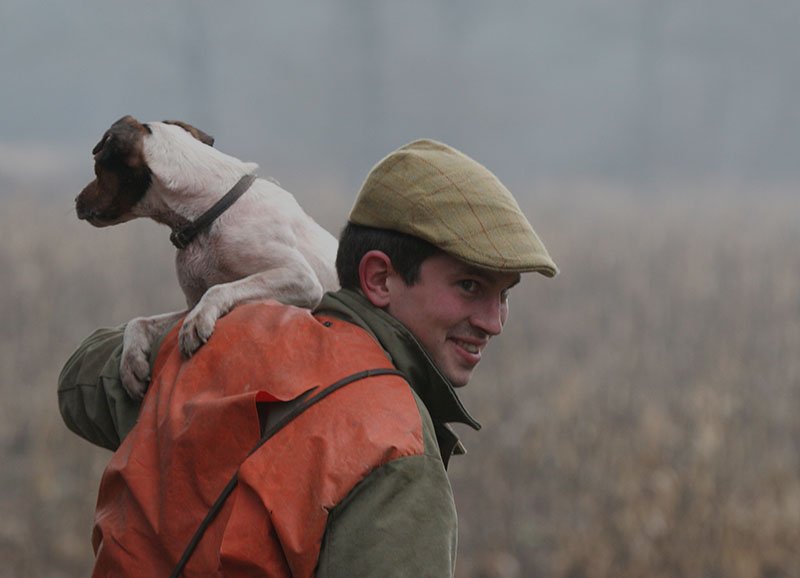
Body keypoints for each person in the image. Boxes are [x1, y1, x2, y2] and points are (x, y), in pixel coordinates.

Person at [58, 139, 558, 577]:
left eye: (504, 294)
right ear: (380, 278)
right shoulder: (398, 450)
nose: (493, 322)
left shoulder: (234, 338)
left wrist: (153, 337)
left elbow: (79, 386)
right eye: (469, 286)